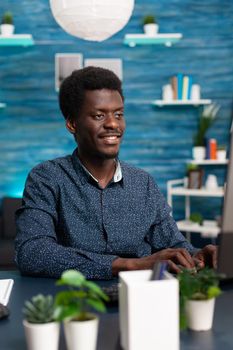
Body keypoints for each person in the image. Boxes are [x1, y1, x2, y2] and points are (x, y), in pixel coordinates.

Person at [15, 66, 217, 279]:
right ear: (72, 124)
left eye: (118, 114)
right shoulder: (47, 178)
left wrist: (198, 255)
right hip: (75, 300)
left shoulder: (143, 182)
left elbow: (173, 243)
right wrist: (130, 265)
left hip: (144, 297)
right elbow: (32, 252)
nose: (112, 124)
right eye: (99, 115)